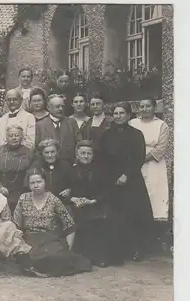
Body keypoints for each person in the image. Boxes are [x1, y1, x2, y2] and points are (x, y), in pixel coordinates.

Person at [99, 103, 154, 261]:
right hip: (112, 181)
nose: (118, 116)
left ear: (129, 115)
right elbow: (102, 158)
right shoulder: (106, 135)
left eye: (122, 113)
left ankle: (137, 249)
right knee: (115, 215)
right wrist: (109, 178)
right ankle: (118, 251)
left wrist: (126, 175)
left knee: (134, 214)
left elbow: (138, 157)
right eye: (115, 113)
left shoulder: (137, 134)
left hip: (131, 180)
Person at [13, 168, 92, 277]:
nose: (36, 185)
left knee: (59, 257)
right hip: (30, 238)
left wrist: (68, 249)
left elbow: (70, 226)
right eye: (32, 183)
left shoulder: (54, 200)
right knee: (27, 257)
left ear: (45, 182)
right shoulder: (23, 198)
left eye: (39, 182)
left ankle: (46, 269)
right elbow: (16, 224)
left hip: (49, 238)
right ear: (28, 184)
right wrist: (19, 241)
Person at [68, 140, 121, 267]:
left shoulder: (101, 171)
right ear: (77, 154)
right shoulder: (70, 170)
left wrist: (93, 201)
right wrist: (73, 198)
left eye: (89, 153)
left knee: (99, 219)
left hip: (95, 203)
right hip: (77, 205)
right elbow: (65, 189)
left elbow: (108, 190)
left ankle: (99, 256)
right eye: (83, 153)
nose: (86, 156)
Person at [129, 98, 170, 223]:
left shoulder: (162, 125)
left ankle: (157, 222)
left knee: (155, 192)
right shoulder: (132, 123)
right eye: (142, 106)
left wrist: (142, 159)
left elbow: (161, 147)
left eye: (148, 106)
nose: (144, 109)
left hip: (154, 164)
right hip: (134, 164)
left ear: (154, 107)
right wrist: (134, 160)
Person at [0, 126, 35, 211]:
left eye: (16, 135)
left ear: (21, 137)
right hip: (1, 188)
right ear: (6, 138)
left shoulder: (28, 152)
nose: (14, 138)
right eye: (10, 136)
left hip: (21, 190)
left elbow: (31, 172)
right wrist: (0, 187)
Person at [35, 94, 82, 166]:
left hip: (70, 165)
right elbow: (37, 149)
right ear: (48, 108)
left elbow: (79, 144)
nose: (61, 109)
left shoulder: (71, 122)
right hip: (48, 167)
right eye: (57, 107)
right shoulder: (39, 125)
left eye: (62, 106)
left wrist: (76, 161)